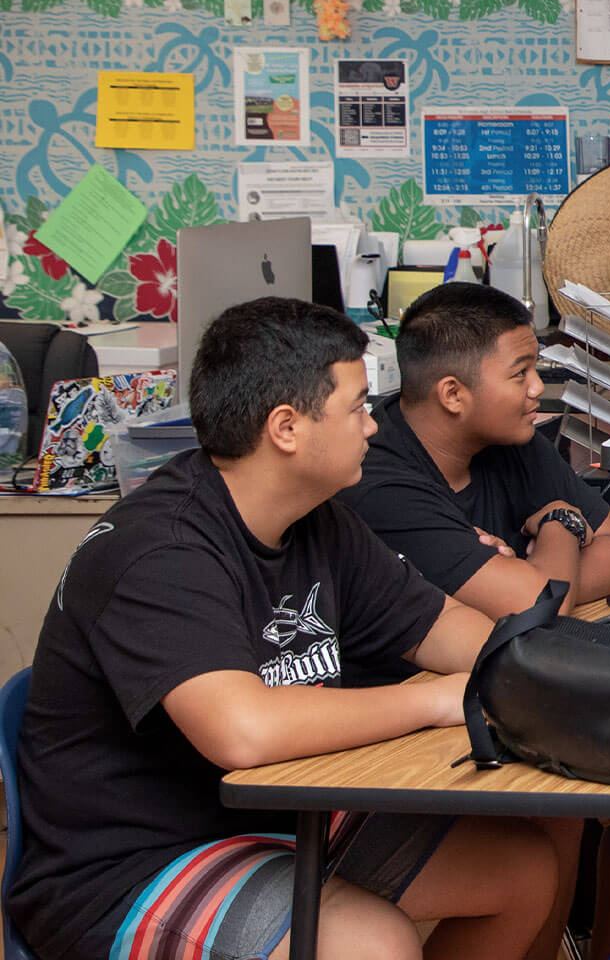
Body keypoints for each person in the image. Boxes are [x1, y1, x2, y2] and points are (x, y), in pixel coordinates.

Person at [5, 297, 559, 960]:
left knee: (523, 873)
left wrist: (536, 676)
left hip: (275, 819)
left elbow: (442, 624)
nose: (373, 428)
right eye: (357, 407)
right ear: (287, 428)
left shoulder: (319, 518)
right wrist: (435, 699)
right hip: (129, 867)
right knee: (371, 944)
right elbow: (244, 731)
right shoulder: (159, 552)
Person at [338, 281, 610, 959]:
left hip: (512, 676)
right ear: (453, 395)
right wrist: (559, 526)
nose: (538, 389)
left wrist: (543, 573)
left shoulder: (510, 441)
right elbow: (536, 603)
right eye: (520, 372)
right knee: (559, 799)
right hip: (405, 719)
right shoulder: (380, 476)